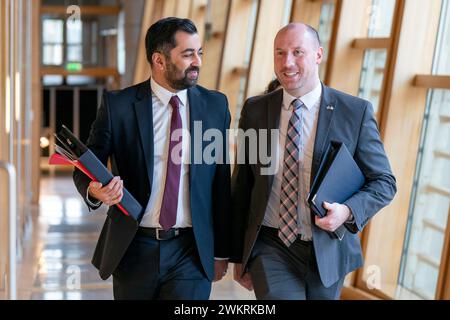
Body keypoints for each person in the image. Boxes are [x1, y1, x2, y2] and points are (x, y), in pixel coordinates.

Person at [230, 23, 397, 300]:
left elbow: (384, 182)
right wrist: (237, 253)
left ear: (318, 55)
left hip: (328, 250)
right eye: (280, 53)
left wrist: (347, 211)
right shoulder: (256, 110)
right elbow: (243, 184)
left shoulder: (354, 113)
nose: (287, 63)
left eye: (298, 52)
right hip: (272, 245)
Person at [73, 17, 231, 300]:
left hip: (191, 251)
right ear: (159, 60)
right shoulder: (118, 106)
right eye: (187, 54)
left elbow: (220, 181)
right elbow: (86, 165)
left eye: (200, 52)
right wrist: (94, 189)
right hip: (134, 248)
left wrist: (220, 250)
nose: (198, 62)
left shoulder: (215, 106)